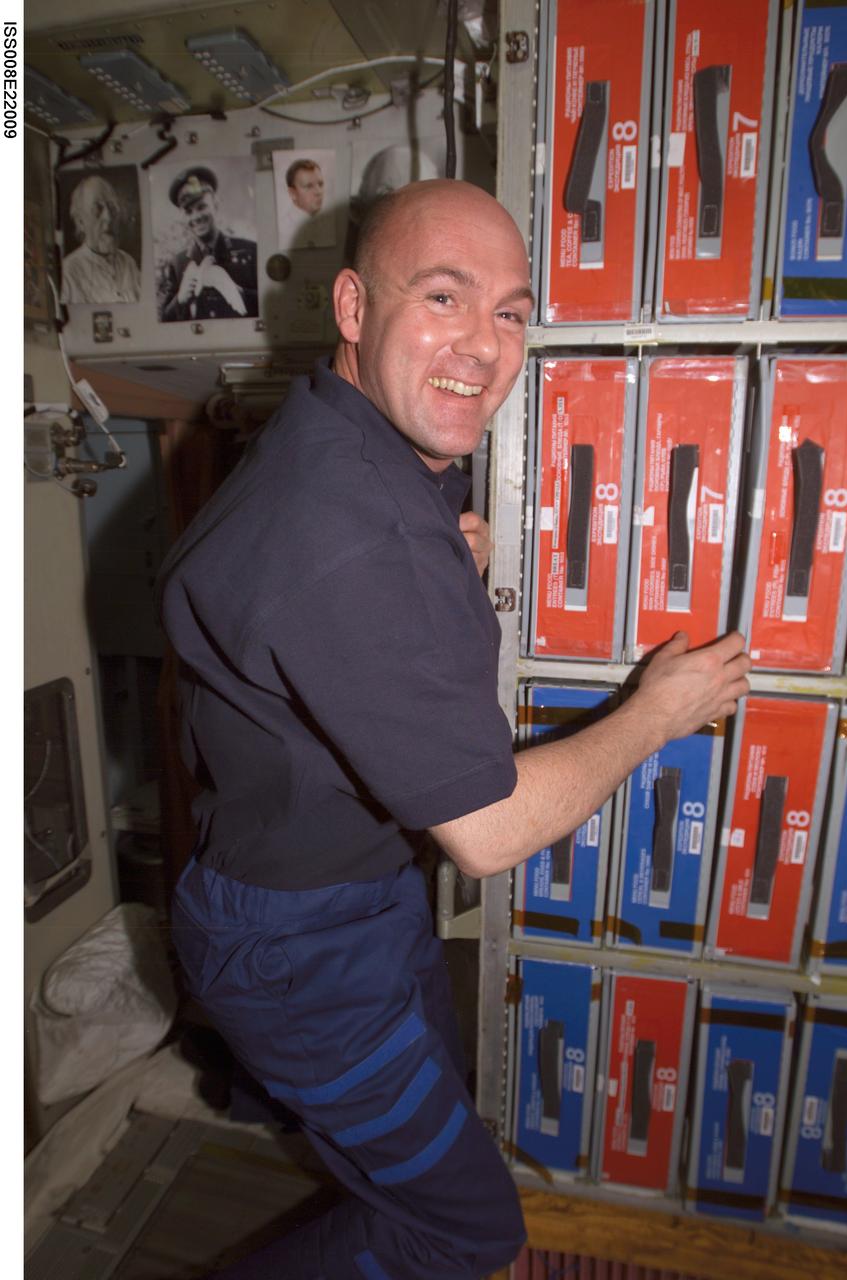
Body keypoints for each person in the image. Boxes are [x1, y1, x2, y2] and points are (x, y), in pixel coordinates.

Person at [159, 179, 751, 1280]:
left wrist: (440, 548)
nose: (484, 343)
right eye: (443, 295)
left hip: (350, 890)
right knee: (462, 1229)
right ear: (352, 305)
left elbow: (341, 570)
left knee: (420, 1153)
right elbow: (486, 831)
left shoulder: (345, 437)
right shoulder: (351, 534)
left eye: (510, 311)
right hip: (302, 945)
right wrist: (654, 713)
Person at [158, 166, 258, 322]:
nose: (196, 217)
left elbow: (273, 304)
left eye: (202, 207)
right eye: (188, 212)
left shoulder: (249, 250)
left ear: (216, 204)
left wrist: (239, 292)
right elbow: (164, 322)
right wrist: (180, 299)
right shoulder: (178, 263)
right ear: (183, 217)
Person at [60, 173, 141, 305]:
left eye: (112, 208)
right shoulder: (68, 271)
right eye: (97, 208)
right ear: (81, 222)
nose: (108, 218)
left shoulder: (128, 263)